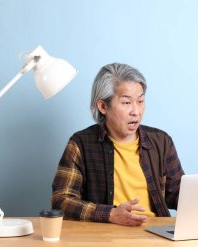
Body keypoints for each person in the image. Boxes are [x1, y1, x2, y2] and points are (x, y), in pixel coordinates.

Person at [51, 63, 184, 226]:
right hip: (105, 236)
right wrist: (110, 214)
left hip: (156, 235)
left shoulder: (161, 141)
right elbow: (61, 201)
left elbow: (178, 195)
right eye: (126, 103)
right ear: (103, 106)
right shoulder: (80, 144)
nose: (136, 111)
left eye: (140, 101)